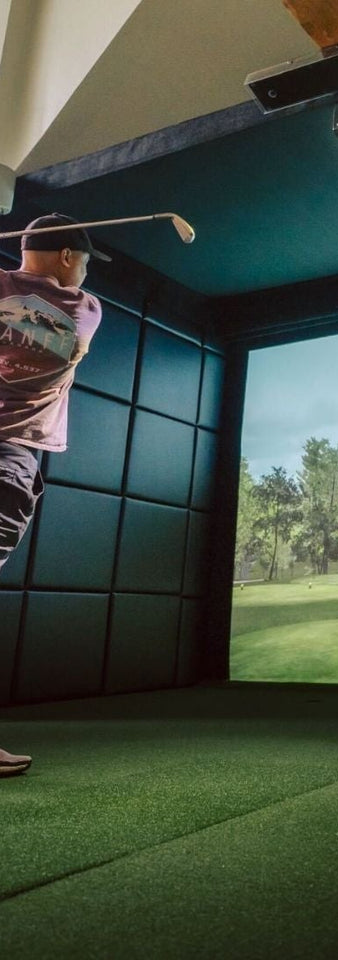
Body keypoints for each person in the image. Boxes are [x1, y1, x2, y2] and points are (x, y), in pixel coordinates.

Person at [0, 213, 109, 777]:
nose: (86, 273)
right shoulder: (81, 309)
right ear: (69, 257)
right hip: (8, 454)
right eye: (86, 262)